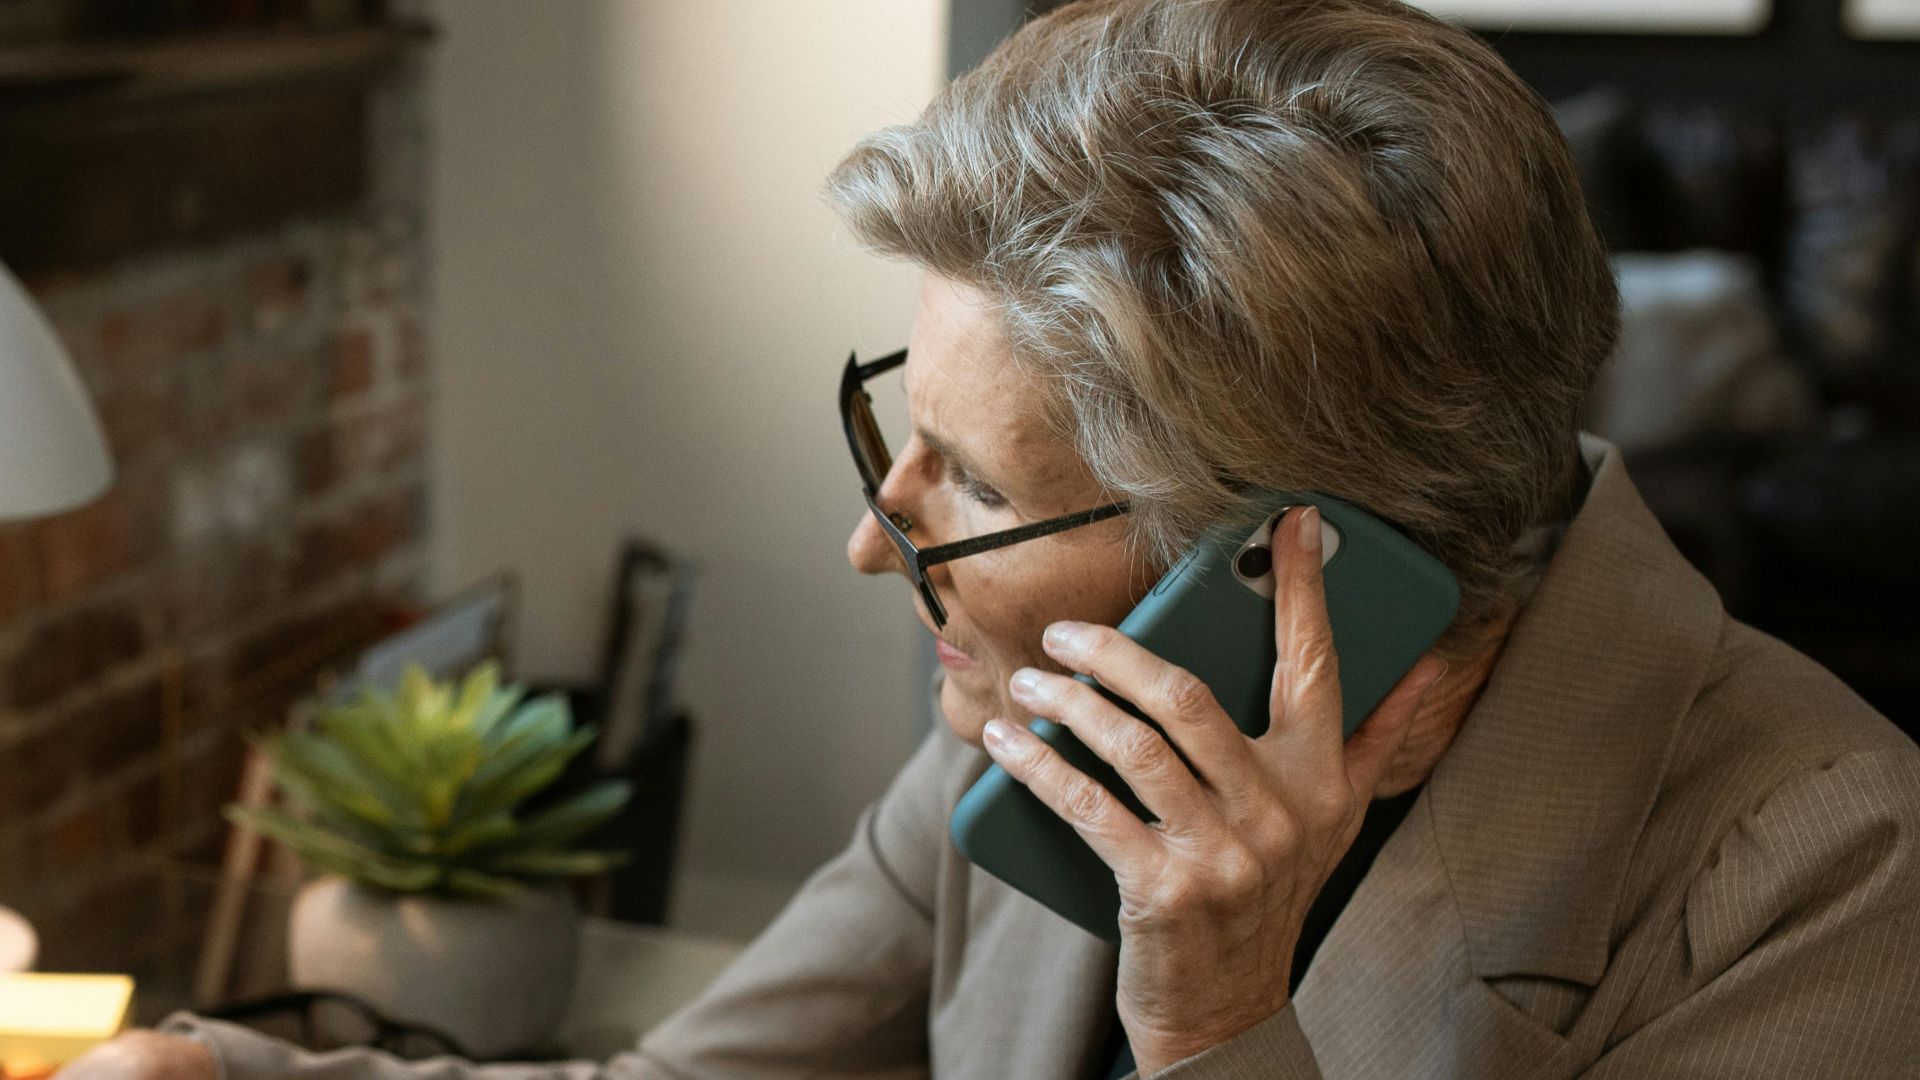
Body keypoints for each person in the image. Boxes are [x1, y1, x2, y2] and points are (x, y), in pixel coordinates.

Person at [61, 0, 1920, 1077]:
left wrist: (1214, 1014)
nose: (883, 546)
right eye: (903, 431)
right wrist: (235, 1070)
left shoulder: (1830, 874)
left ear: (1295, 567)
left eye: (980, 487)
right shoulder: (1034, 706)